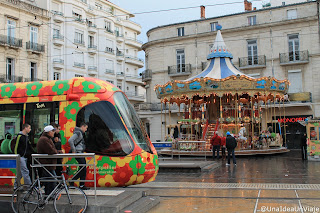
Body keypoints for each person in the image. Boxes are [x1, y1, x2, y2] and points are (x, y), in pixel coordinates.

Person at [36, 125, 59, 195]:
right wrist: (58, 152)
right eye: (52, 131)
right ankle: (49, 194)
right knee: (52, 179)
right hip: (47, 164)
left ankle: (49, 195)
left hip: (48, 163)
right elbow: (51, 151)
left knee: (50, 180)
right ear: (48, 132)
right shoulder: (44, 140)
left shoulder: (46, 139)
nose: (54, 133)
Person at [68, 122, 89, 190]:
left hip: (80, 152)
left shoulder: (79, 132)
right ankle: (73, 181)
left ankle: (81, 184)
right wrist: (74, 150)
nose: (86, 130)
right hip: (78, 152)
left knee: (83, 168)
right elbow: (70, 140)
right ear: (83, 126)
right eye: (86, 128)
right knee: (83, 168)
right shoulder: (78, 133)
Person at [14, 123, 32, 189]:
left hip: (24, 156)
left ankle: (16, 186)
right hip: (20, 157)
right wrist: (17, 156)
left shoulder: (26, 137)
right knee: (25, 171)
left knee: (20, 173)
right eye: (29, 128)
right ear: (25, 128)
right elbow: (16, 147)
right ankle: (29, 186)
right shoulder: (20, 136)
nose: (30, 129)